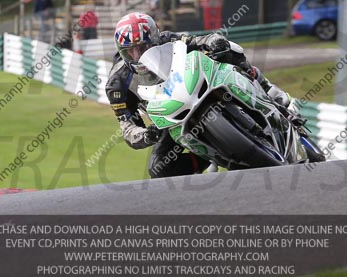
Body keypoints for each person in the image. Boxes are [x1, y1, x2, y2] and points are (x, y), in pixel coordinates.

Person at [105, 12, 295, 178]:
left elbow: (196, 41)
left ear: (155, 38)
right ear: (122, 52)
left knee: (227, 47)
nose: (138, 56)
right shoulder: (117, 84)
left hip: (197, 87)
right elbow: (127, 127)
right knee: (158, 169)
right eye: (131, 51)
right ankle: (206, 158)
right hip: (169, 118)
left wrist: (212, 41)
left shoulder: (167, 40)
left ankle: (268, 90)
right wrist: (147, 135)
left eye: (144, 47)